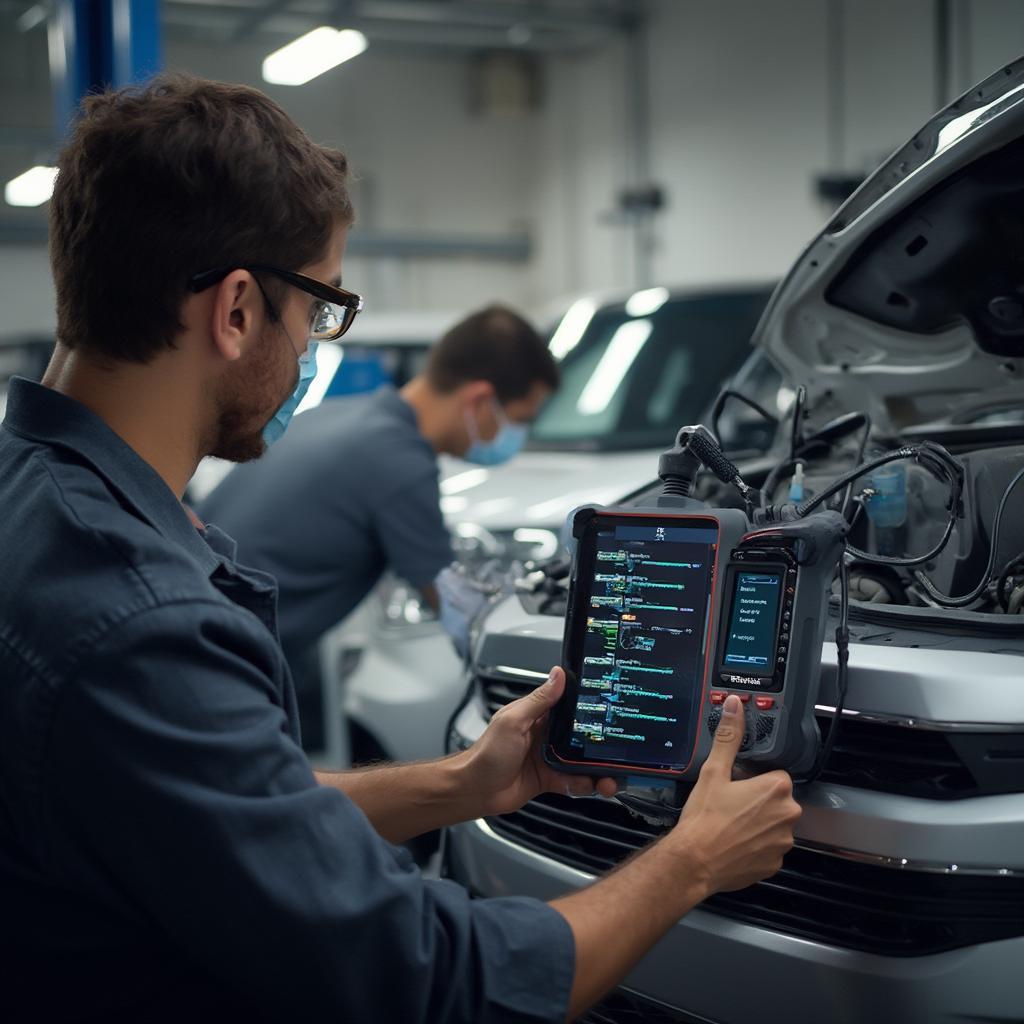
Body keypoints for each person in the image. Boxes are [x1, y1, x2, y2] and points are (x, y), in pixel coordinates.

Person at [0, 74, 800, 1023]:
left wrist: (462, 782)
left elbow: (229, 817)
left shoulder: (33, 496)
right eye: (321, 312)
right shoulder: (141, 619)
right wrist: (691, 860)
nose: (311, 348)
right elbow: (429, 980)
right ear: (239, 309)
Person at [197, 304, 556, 743]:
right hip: (223, 666)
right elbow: (460, 612)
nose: (514, 437)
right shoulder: (399, 460)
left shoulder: (340, 415)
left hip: (199, 632)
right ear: (479, 399)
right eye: (518, 420)